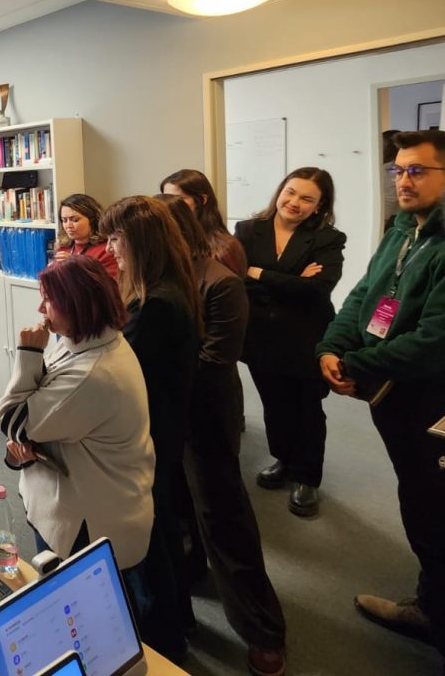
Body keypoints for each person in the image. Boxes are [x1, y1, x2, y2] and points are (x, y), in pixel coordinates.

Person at [316, 129, 445, 673]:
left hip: (435, 404)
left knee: (440, 516)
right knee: (420, 504)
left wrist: (357, 364)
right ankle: (432, 608)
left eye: (418, 170)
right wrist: (332, 346)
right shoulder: (403, 230)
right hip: (394, 398)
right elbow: (363, 296)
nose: (403, 180)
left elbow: (438, 340)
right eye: (398, 170)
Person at [159, 195, 288, 676]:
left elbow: (215, 361)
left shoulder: (220, 282)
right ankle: (192, 579)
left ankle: (263, 629)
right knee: (176, 509)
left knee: (223, 519)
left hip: (206, 416)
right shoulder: (156, 278)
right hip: (164, 415)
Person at [0, 255, 154, 572]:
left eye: (48, 300)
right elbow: (44, 400)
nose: (40, 309)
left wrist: (28, 353)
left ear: (77, 305)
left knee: (72, 597)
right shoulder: (83, 340)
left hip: (87, 524)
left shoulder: (93, 373)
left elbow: (12, 419)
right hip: (72, 499)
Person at [98, 195, 199, 663]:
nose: (109, 248)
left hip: (151, 434)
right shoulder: (163, 287)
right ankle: (180, 620)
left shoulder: (156, 303)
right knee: (160, 527)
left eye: (116, 238)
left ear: (141, 241)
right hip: (164, 428)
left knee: (149, 539)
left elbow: (117, 371)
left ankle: (165, 641)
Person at [234, 168, 345, 517]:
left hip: (305, 336)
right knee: (274, 403)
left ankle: (307, 477)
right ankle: (283, 459)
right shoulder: (248, 230)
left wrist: (260, 273)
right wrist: (292, 280)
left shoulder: (327, 239)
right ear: (280, 190)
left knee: (307, 408)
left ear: (319, 205)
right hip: (260, 337)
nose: (295, 202)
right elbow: (237, 280)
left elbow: (318, 289)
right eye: (291, 192)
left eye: (307, 198)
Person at [160, 168, 248, 276]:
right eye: (165, 198)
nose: (169, 205)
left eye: (179, 199)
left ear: (201, 200)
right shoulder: (164, 239)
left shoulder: (225, 248)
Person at [52, 193, 119, 280]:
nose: (68, 226)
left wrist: (76, 267)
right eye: (64, 220)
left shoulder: (107, 250)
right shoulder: (63, 248)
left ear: (93, 220)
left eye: (75, 220)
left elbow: (109, 285)